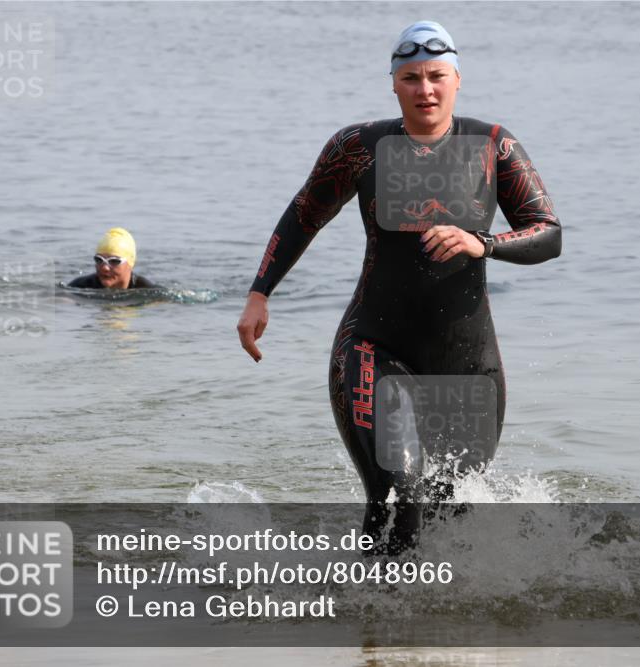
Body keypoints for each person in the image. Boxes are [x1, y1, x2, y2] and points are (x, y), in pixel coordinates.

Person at [237, 21, 561, 552]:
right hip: (373, 347)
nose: (425, 89)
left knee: (450, 512)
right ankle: (371, 625)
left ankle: (422, 628)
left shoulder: (494, 147)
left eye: (436, 76)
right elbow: (304, 215)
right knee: (397, 496)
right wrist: (259, 293)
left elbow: (548, 233)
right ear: (394, 84)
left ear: (457, 79)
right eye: (411, 77)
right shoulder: (358, 146)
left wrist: (484, 243)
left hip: (467, 362)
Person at [67, 227, 155, 289]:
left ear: (130, 263)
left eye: (114, 261)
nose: (105, 267)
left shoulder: (146, 290)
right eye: (99, 260)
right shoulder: (80, 286)